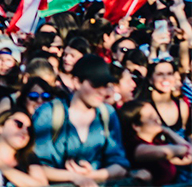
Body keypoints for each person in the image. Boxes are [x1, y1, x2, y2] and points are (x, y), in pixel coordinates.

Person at [32, 54, 129, 186]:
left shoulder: (107, 114)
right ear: (76, 82)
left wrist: (92, 176)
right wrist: (75, 177)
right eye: (96, 85)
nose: (102, 91)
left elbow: (120, 164)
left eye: (106, 85)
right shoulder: (49, 113)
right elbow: (35, 166)